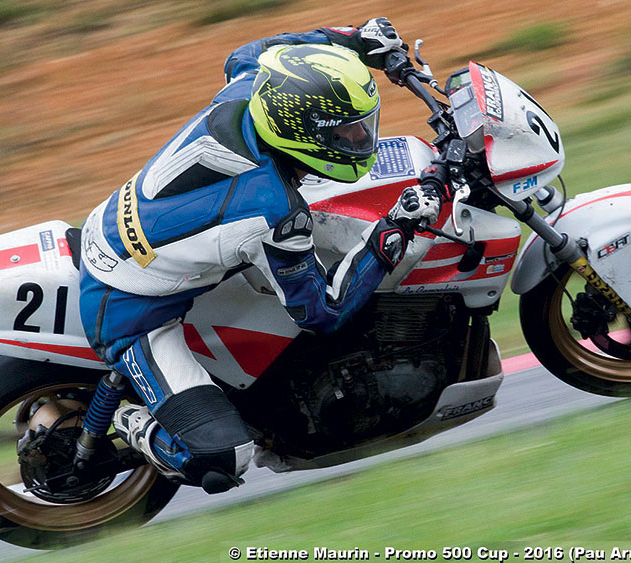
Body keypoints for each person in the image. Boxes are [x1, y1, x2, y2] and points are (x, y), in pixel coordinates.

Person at [78, 18, 443, 494]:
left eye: (363, 128)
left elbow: (253, 50)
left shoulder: (250, 89)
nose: (362, 142)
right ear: (302, 132)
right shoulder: (272, 213)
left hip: (117, 230)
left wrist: (351, 39)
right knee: (222, 460)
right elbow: (322, 312)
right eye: (348, 134)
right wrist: (394, 230)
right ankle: (132, 419)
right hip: (128, 308)